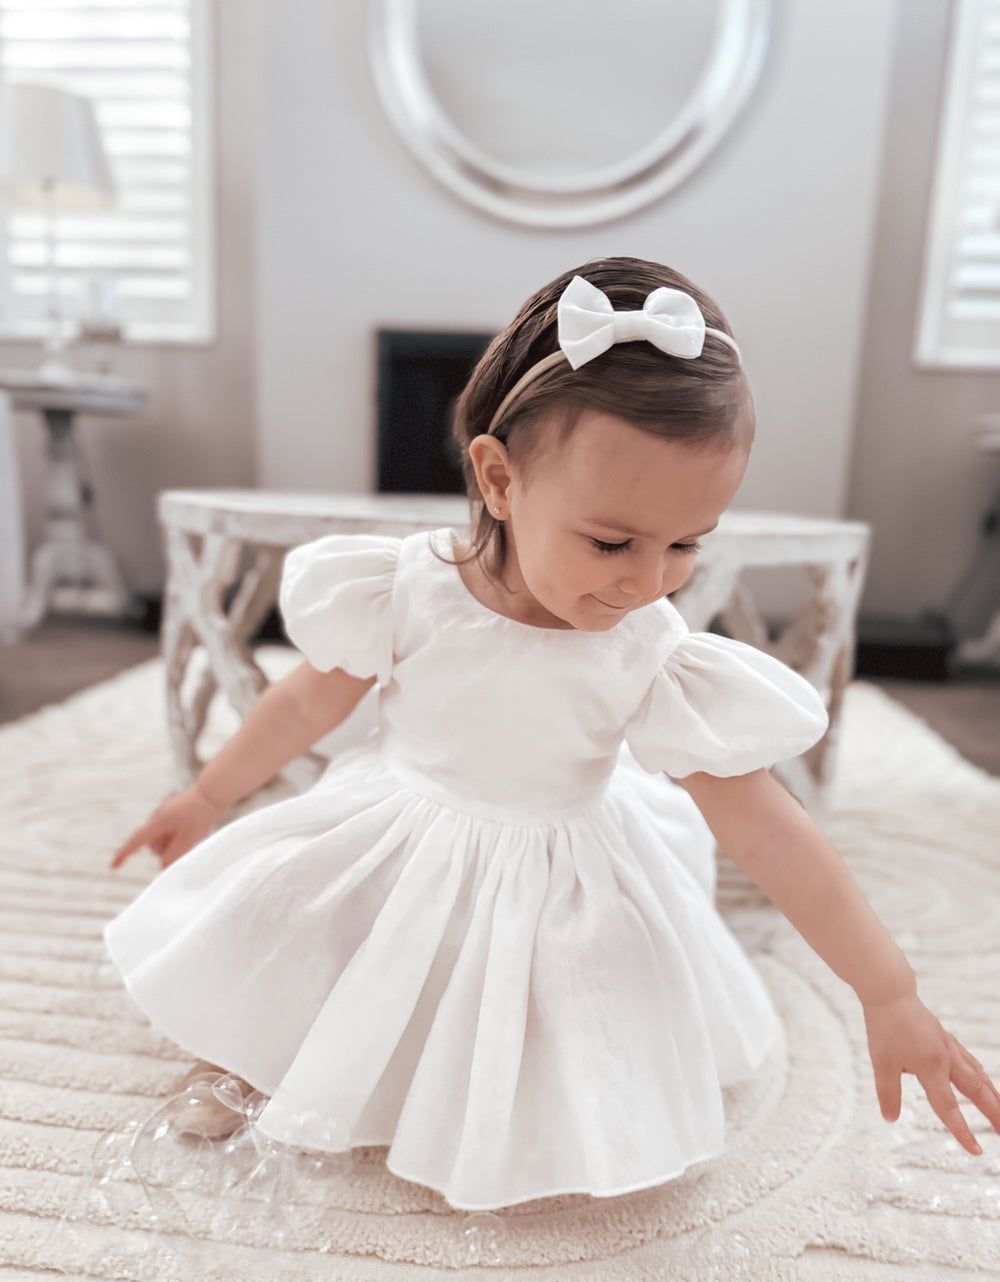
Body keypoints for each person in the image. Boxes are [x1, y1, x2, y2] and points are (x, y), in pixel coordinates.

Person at [107, 257, 1000, 1213]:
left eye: (688, 543)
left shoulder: (647, 650)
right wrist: (209, 792)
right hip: (401, 824)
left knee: (570, 1002)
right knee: (289, 913)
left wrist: (889, 988)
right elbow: (304, 704)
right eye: (613, 542)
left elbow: (771, 829)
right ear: (499, 479)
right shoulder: (409, 590)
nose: (649, 580)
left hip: (561, 858)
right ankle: (262, 1060)